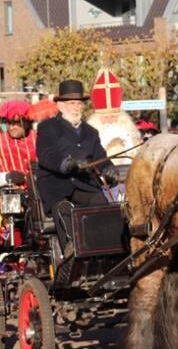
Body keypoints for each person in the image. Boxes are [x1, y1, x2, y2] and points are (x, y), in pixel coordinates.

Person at [36, 79, 117, 254]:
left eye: (79, 103)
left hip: (83, 184)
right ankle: (70, 249)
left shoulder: (91, 132)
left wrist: (110, 170)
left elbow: (101, 158)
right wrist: (66, 163)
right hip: (56, 185)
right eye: (71, 103)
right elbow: (46, 156)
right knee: (63, 207)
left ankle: (102, 246)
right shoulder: (47, 127)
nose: (76, 107)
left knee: (100, 201)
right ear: (60, 106)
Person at [0, 99, 37, 192]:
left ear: (26, 121)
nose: (11, 127)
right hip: (10, 200)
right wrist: (5, 178)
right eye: (8, 123)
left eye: (15, 123)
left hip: (39, 198)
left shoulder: (40, 139)